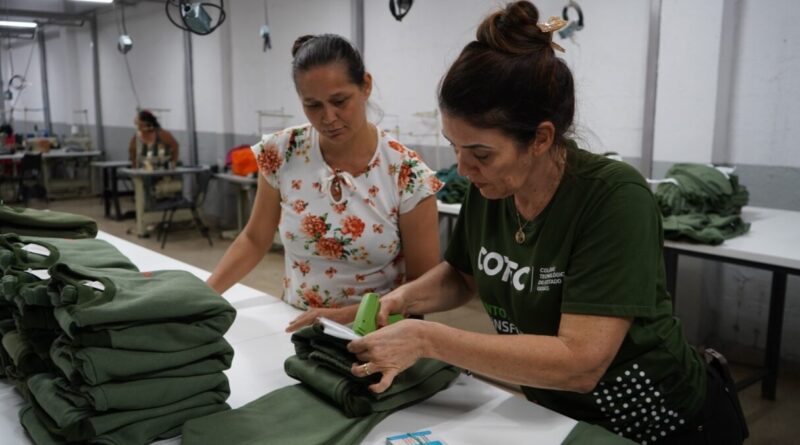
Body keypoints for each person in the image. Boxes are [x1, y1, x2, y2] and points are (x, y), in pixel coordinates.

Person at [307, 3, 747, 444]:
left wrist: (427, 338)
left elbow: (581, 362)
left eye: (480, 153)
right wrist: (397, 301)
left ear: (541, 138)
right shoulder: (492, 188)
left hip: (657, 421)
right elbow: (463, 276)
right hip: (553, 411)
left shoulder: (614, 200)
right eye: (454, 147)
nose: (463, 168)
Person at [207, 34, 443, 324]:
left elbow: (423, 287)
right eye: (313, 105)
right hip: (297, 325)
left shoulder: (406, 174)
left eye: (340, 101)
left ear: (365, 86)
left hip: (376, 332)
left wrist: (343, 317)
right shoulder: (282, 152)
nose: (328, 117)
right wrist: (205, 296)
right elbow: (255, 239)